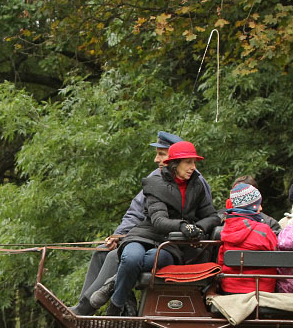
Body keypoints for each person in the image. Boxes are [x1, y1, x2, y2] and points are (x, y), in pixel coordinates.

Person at [70, 131, 212, 315]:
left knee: (119, 258)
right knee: (103, 251)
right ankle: (86, 307)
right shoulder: (156, 178)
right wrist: (118, 236)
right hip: (149, 235)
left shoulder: (196, 182)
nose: (156, 159)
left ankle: (95, 308)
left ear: (174, 158)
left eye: (161, 154)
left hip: (173, 241)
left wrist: (193, 229)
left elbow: (204, 215)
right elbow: (136, 212)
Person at [102, 140, 221, 315]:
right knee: (131, 258)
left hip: (172, 243)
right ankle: (116, 306)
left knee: (154, 260)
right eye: (188, 162)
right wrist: (183, 226)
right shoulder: (155, 184)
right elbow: (158, 220)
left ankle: (114, 282)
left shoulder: (197, 186)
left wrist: (197, 228)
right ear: (175, 164)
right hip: (146, 234)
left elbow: (213, 216)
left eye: (194, 162)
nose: (193, 167)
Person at [217, 183, 279, 293]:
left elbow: (221, 260)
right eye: (258, 204)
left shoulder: (226, 230)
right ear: (252, 206)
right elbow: (275, 255)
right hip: (262, 289)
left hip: (230, 289)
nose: (261, 208)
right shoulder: (264, 231)